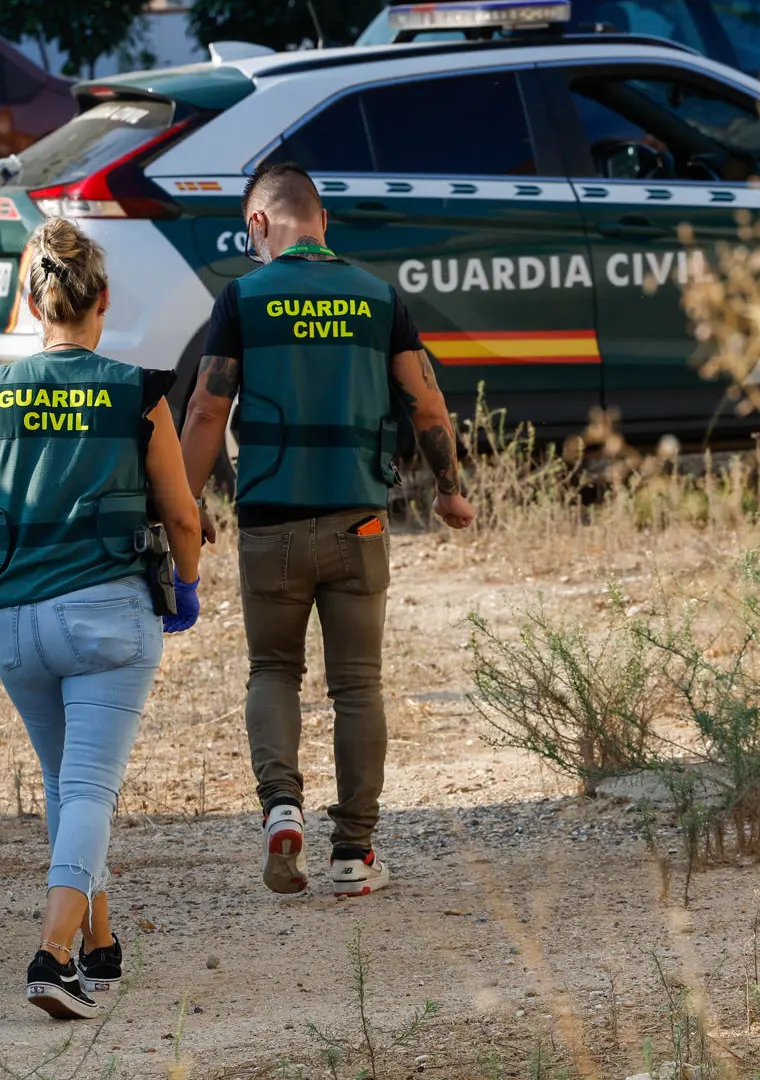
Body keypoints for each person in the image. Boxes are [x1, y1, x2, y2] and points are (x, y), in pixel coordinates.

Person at [0, 218, 203, 1020]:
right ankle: (51, 958)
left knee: (66, 786)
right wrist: (185, 584)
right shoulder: (135, 391)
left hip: (14, 621)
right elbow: (182, 516)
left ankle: (100, 943)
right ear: (102, 299)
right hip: (107, 618)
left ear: (28, 299)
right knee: (89, 790)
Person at [179, 160, 476, 900]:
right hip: (359, 521)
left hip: (270, 526)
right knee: (357, 686)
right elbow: (428, 407)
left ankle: (283, 808)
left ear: (259, 225)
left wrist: (184, 506)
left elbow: (207, 411)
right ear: (321, 224)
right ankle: (354, 854)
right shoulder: (379, 298)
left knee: (273, 670)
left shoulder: (243, 298)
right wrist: (451, 491)